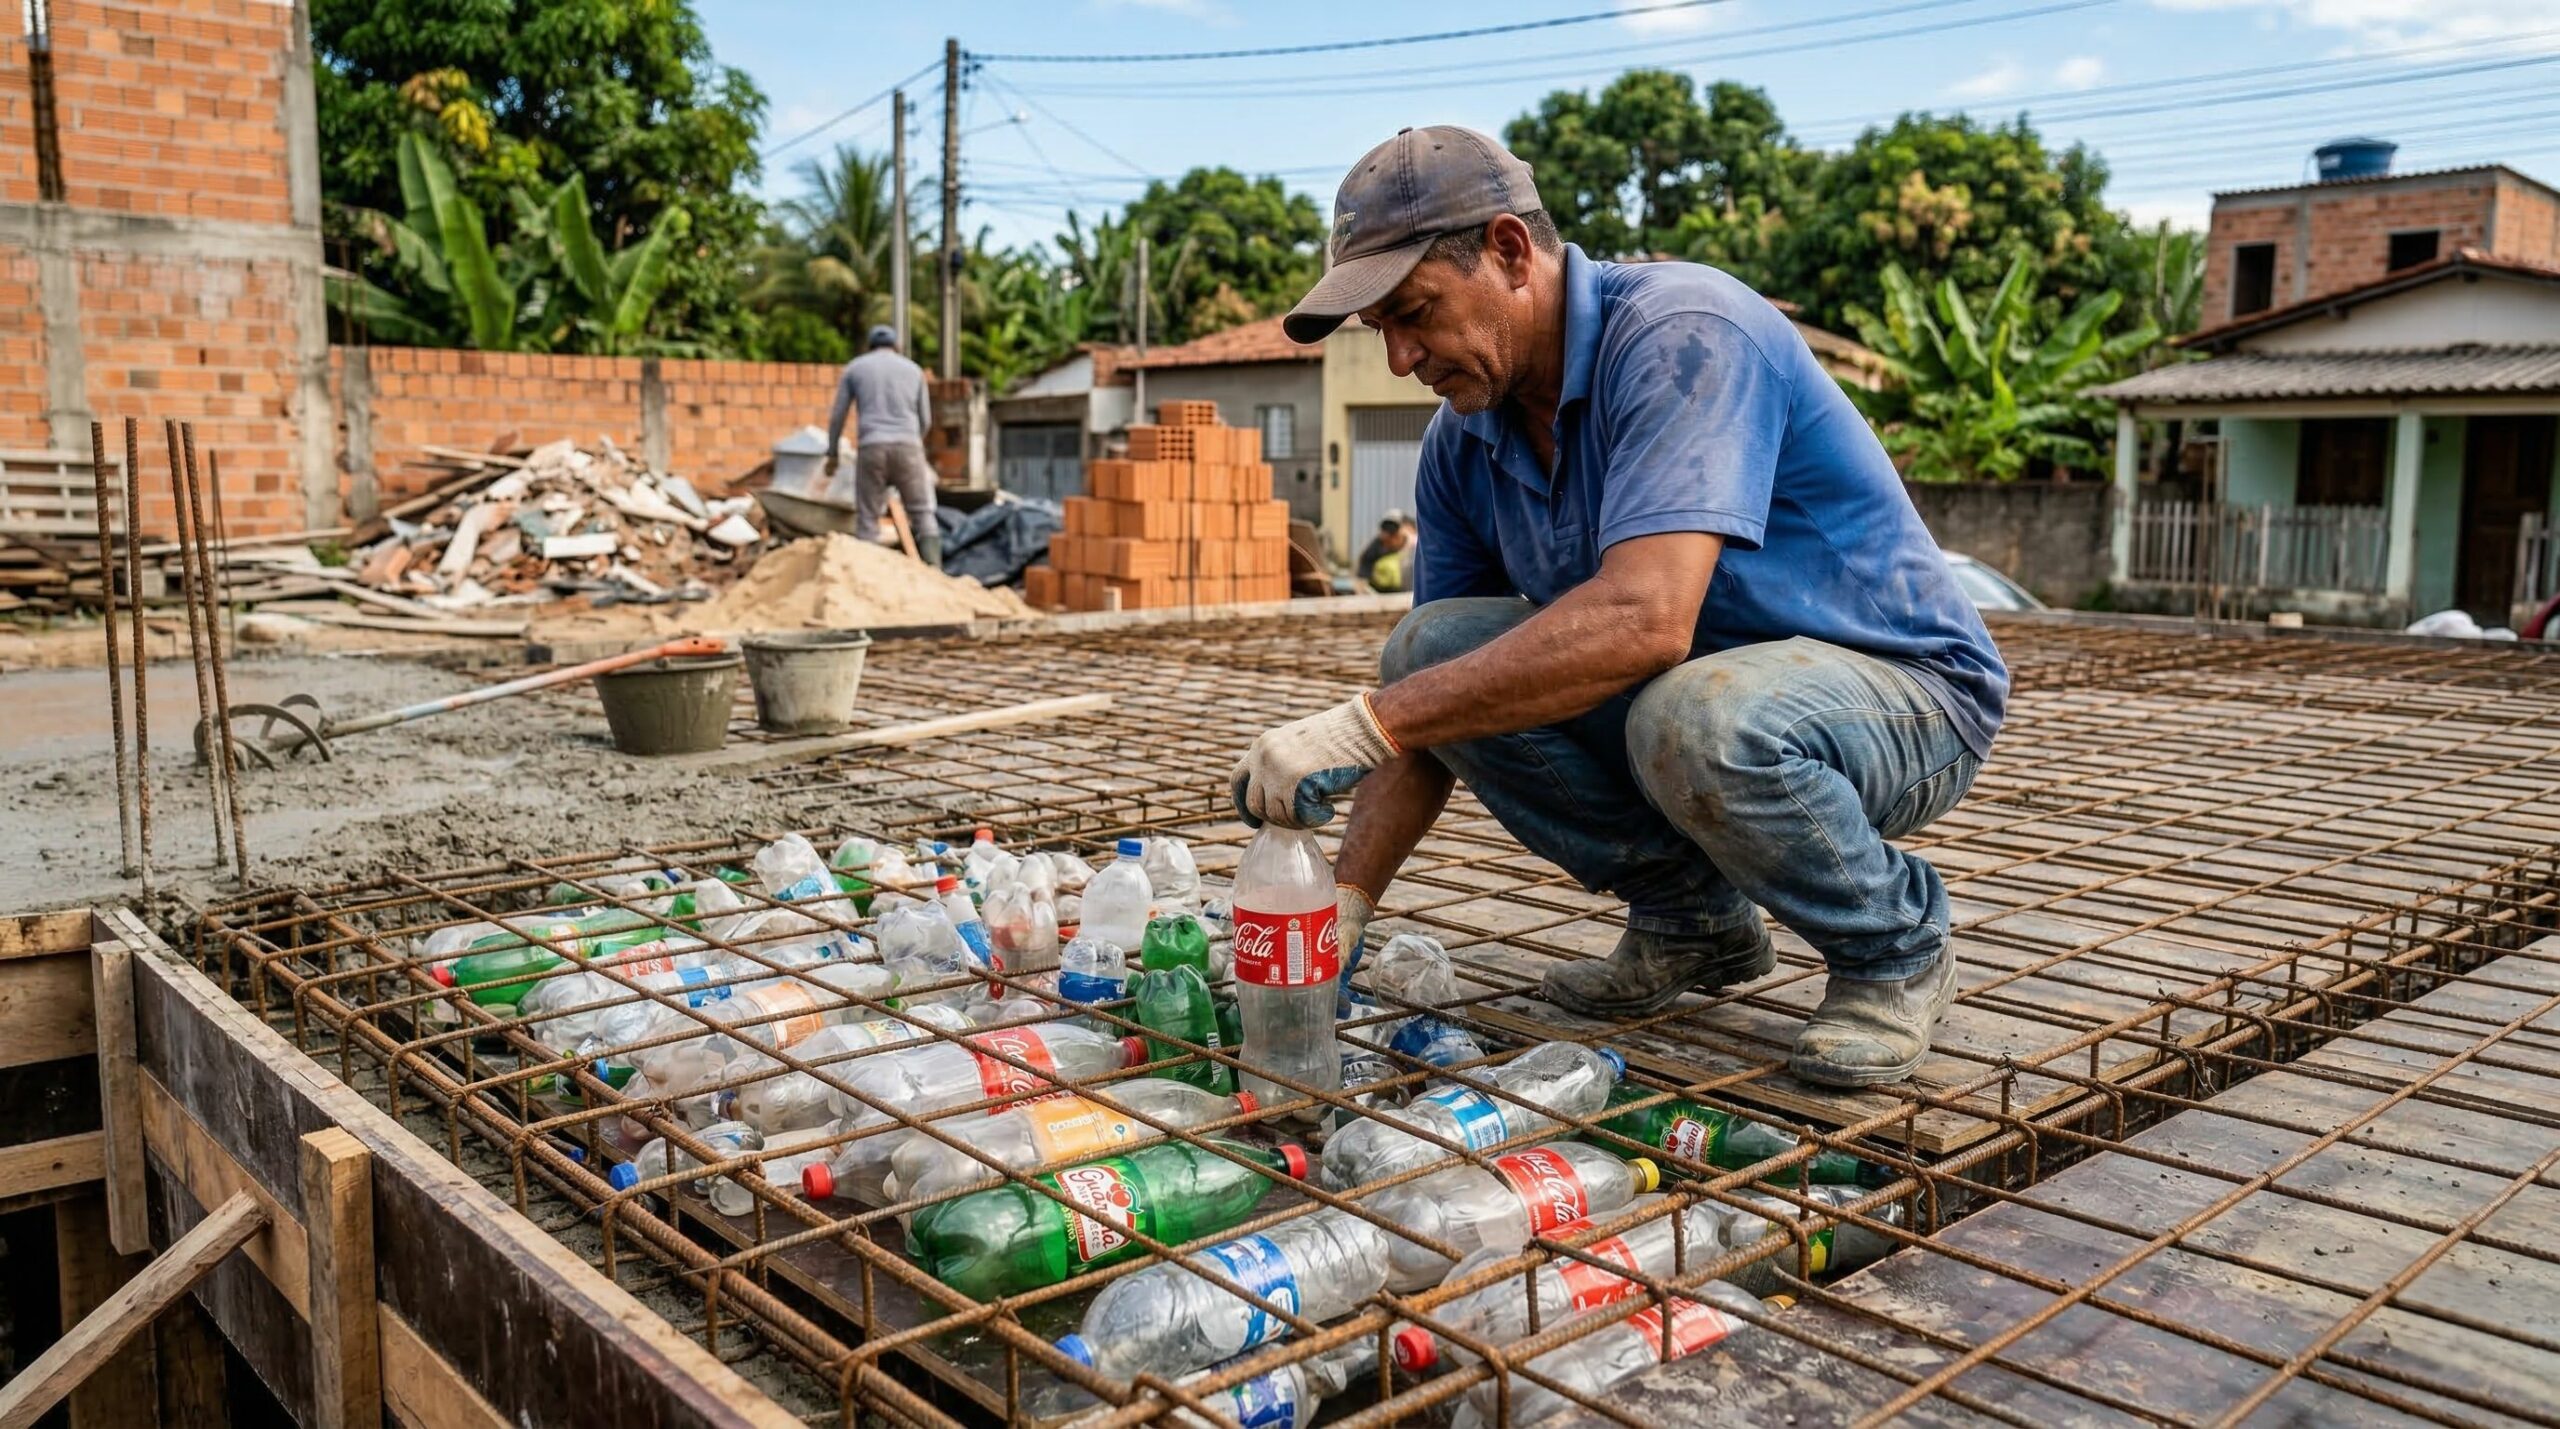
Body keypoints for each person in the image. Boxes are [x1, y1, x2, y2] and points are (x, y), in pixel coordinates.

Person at [1227, 127, 2008, 1088]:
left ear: (1512, 252)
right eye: (1378, 329)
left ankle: (1897, 947)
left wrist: (1364, 724)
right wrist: (1342, 903)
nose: (1400, 359)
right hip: (1693, 705)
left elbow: (1646, 620)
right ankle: (1694, 924)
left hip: (1906, 696)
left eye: (1416, 312)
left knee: (1695, 715)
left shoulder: (1685, 334)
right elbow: (1428, 705)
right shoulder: (1464, 439)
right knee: (1432, 647)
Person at [823, 325, 941, 568]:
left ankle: (868, 576)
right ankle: (936, 573)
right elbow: (926, 420)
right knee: (922, 512)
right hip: (909, 446)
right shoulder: (914, 370)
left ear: (869, 345)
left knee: (868, 517)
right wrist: (911, 443)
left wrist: (832, 453)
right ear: (897, 345)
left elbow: (837, 416)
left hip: (872, 446)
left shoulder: (855, 368)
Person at [1357, 510, 1414, 593]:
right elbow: (1363, 575)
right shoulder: (1375, 547)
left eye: (1393, 535)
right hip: (1380, 592)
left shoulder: (1413, 544)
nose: (1389, 538)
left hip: (1406, 591)